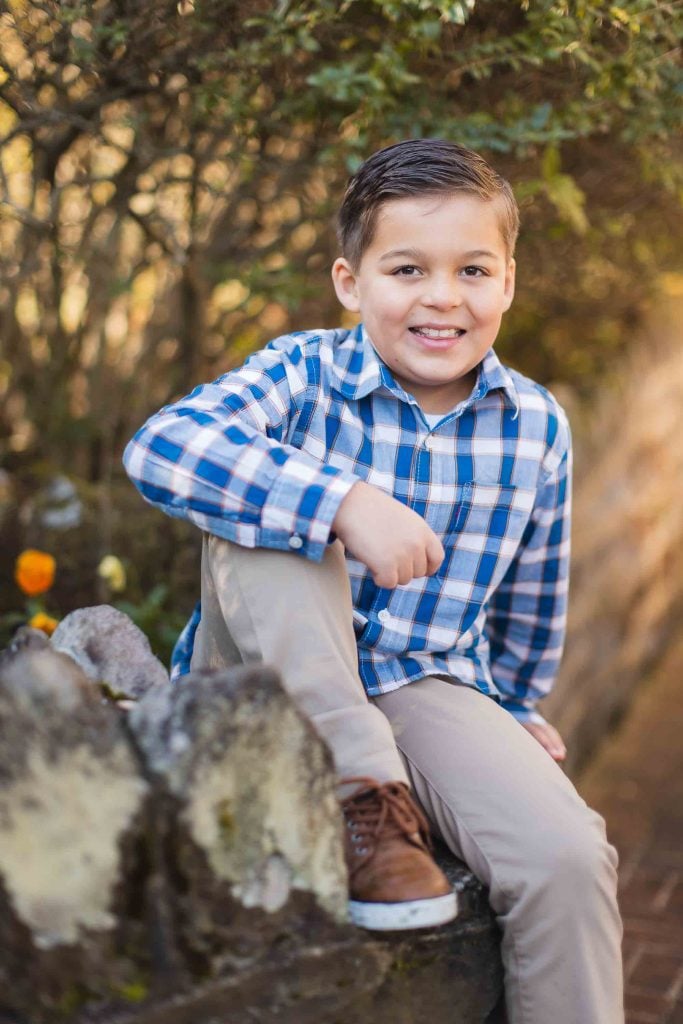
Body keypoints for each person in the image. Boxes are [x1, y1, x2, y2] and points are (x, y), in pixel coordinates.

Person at [123, 139, 623, 1023]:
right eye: (407, 269)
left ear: (507, 281)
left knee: (566, 858)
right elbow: (161, 447)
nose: (442, 296)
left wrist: (512, 708)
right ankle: (364, 798)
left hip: (420, 681)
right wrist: (344, 500)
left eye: (473, 269)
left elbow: (528, 601)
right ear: (352, 284)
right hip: (259, 677)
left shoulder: (535, 427)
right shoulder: (301, 373)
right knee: (274, 504)